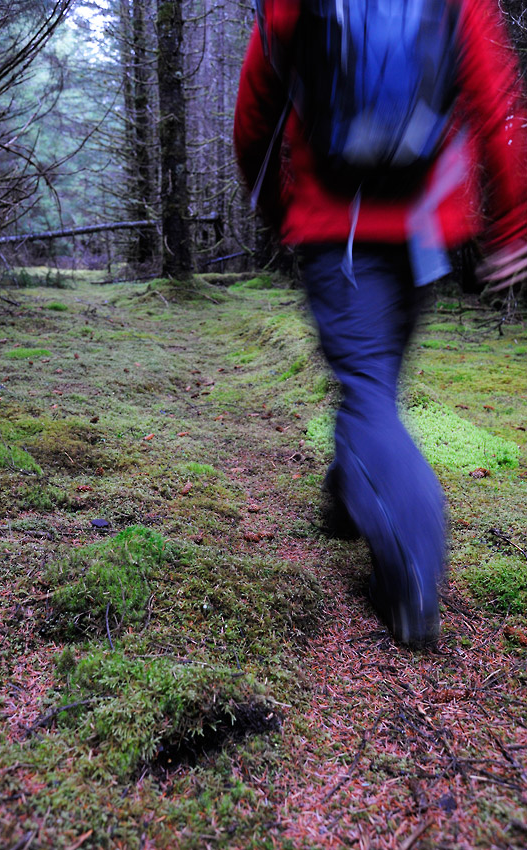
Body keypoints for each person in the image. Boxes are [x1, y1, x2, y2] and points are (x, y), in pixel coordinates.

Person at [234, 0, 527, 646]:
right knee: (374, 385)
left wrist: (280, 208)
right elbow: (495, 103)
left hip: (336, 232)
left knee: (368, 389)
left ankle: (413, 574)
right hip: (426, 233)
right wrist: (508, 225)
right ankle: (346, 500)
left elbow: (256, 113)